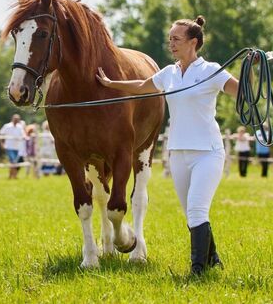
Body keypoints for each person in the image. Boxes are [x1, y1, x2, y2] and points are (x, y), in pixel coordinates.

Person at [96, 15, 239, 275]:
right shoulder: (170, 73)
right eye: (169, 39)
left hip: (208, 152)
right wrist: (110, 84)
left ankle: (198, 271)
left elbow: (241, 92)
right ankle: (213, 259)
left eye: (176, 39)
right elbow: (141, 86)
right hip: (178, 153)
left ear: (193, 42)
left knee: (196, 209)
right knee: (193, 214)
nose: (170, 43)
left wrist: (253, 70)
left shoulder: (211, 71)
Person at [0, 114, 27, 179]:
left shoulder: (20, 127)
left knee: (14, 162)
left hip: (17, 147)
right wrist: (1, 143)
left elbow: (23, 135)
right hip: (9, 147)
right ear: (12, 119)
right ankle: (14, 176)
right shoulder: (7, 126)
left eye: (18, 119)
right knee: (13, 161)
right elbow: (1, 134)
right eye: (15, 119)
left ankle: (10, 176)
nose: (16, 120)